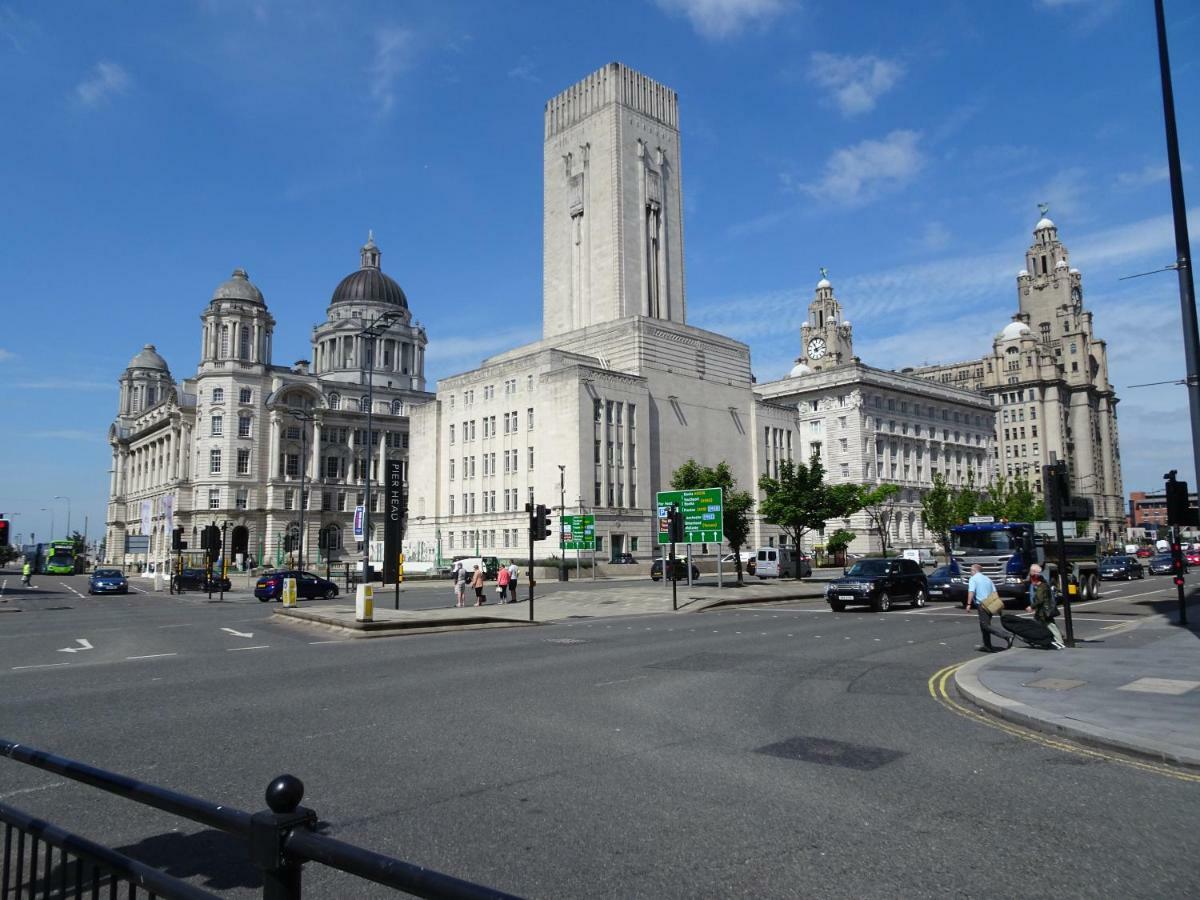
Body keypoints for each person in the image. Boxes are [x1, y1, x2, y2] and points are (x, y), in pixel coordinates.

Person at [965, 562, 1012, 652]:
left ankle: (1006, 635)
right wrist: (998, 606)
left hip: (982, 604)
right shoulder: (988, 579)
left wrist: (968, 604)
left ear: (974, 570)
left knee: (985, 625)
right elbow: (995, 593)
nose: (970, 572)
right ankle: (987, 646)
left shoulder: (973, 579)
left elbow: (971, 592)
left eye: (971, 570)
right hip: (991, 604)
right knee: (984, 625)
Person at [1027, 564, 1065, 649]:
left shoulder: (1041, 584)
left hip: (1044, 610)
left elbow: (1040, 599)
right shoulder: (1040, 582)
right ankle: (1032, 639)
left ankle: (1059, 641)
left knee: (1050, 625)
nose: (1030, 574)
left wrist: (1032, 606)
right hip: (1042, 609)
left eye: (1032, 571)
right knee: (1041, 624)